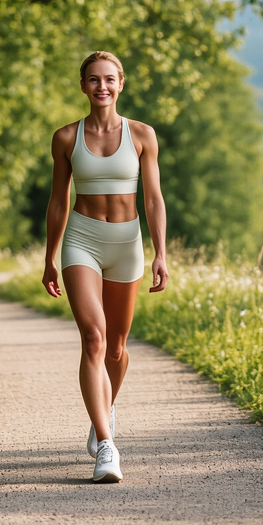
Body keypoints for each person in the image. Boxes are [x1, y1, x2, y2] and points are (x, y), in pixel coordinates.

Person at [42, 50, 168, 483]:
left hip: (127, 244)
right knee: (93, 338)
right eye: (94, 80)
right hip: (82, 241)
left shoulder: (143, 135)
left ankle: (106, 406)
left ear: (121, 84)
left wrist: (161, 253)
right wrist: (49, 257)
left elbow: (152, 199)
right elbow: (59, 201)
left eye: (110, 79)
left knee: (116, 347)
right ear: (83, 86)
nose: (102, 87)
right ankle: (106, 444)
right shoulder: (65, 138)